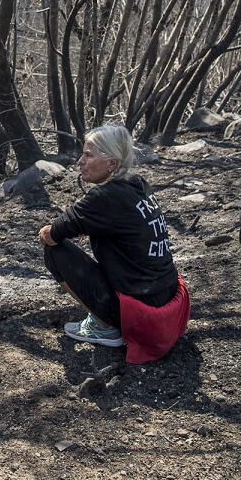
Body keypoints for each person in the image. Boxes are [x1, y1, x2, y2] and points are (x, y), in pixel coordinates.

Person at [38, 125, 190, 364]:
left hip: (140, 313)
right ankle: (107, 319)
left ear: (111, 163)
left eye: (88, 155)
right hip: (167, 299)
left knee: (55, 252)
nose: (80, 161)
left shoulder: (104, 197)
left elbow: (52, 235)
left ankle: (105, 326)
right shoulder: (138, 184)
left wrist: (48, 230)